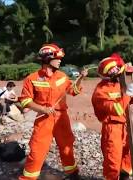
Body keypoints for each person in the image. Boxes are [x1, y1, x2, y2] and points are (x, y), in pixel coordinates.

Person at [18, 43, 88, 180]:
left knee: (67, 146)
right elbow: (25, 100)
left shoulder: (62, 76)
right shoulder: (32, 79)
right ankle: (28, 178)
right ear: (47, 59)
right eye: (58, 58)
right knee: (37, 150)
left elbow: (73, 91)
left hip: (61, 117)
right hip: (44, 118)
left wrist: (81, 79)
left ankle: (73, 174)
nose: (60, 60)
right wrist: (42, 109)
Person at [91, 53, 133, 180]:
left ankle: (124, 176)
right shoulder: (100, 92)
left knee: (128, 155)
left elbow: (126, 101)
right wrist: (128, 94)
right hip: (112, 128)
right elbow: (118, 109)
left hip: (125, 125)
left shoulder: (119, 84)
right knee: (113, 160)